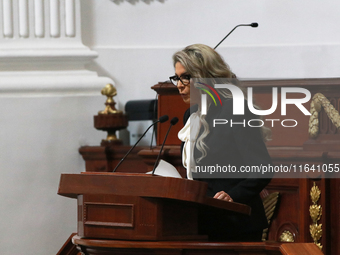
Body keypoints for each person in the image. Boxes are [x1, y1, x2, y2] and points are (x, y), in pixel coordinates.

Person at [169, 44, 272, 241]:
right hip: (201, 220)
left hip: (235, 223)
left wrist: (232, 195)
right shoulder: (191, 115)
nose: (179, 85)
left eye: (186, 77)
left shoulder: (234, 110)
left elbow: (262, 168)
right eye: (176, 78)